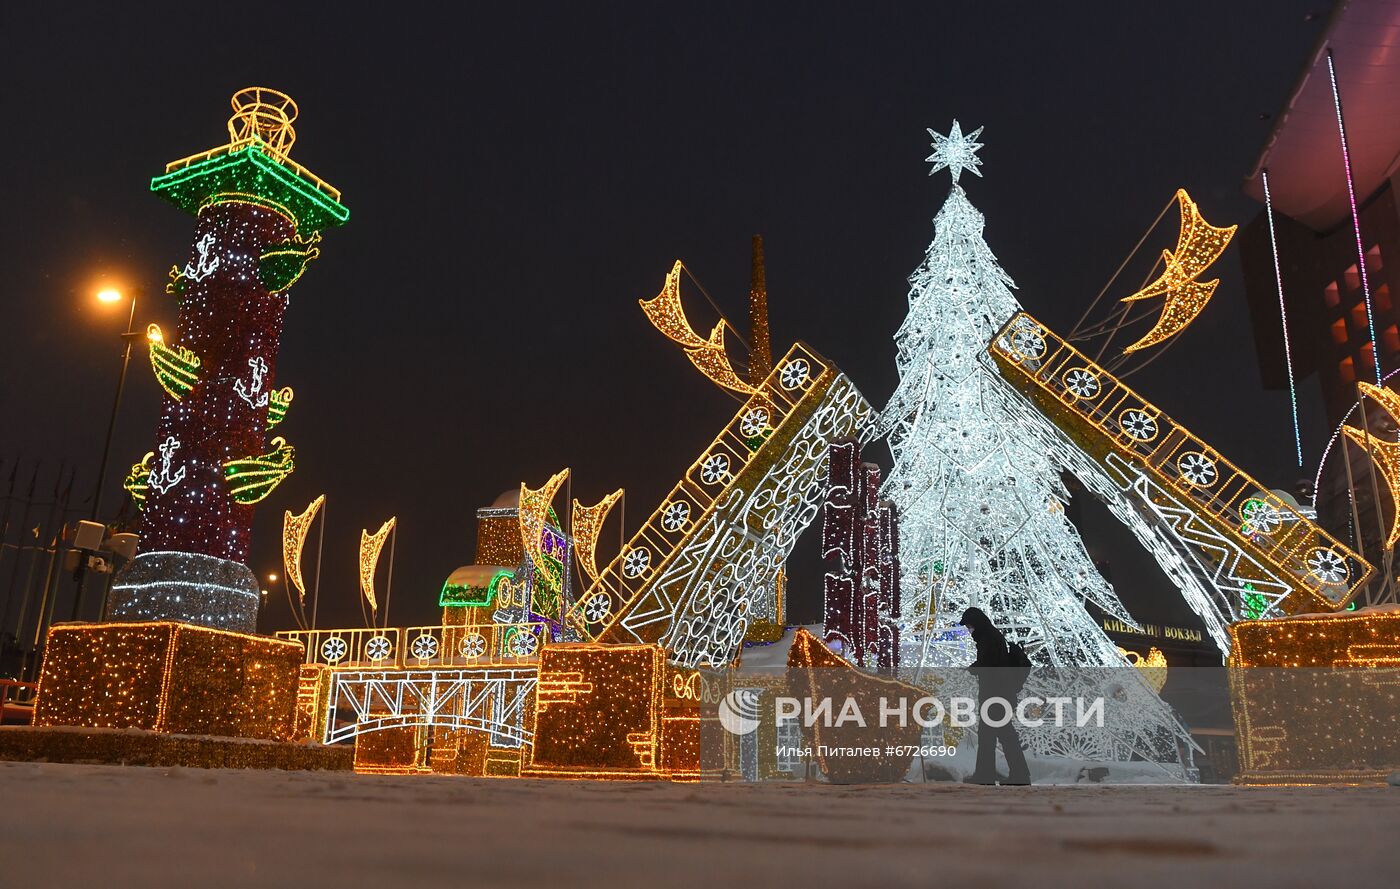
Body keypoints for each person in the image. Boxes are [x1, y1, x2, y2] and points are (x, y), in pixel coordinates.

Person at [959, 607, 1030, 785]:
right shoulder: (991, 636)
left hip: (996, 694)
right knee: (992, 735)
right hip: (999, 693)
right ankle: (990, 773)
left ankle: (1011, 775)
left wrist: (973, 669)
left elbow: (989, 664)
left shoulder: (988, 638)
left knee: (1002, 734)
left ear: (976, 623)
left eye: (969, 625)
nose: (969, 629)